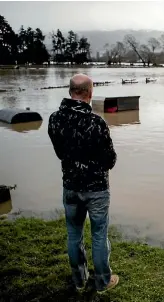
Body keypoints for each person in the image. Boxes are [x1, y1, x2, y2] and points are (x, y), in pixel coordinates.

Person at [48, 74, 119, 293]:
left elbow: (60, 153)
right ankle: (103, 282)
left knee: (74, 234)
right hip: (96, 189)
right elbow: (110, 160)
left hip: (70, 186)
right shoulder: (97, 122)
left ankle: (79, 280)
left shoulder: (54, 119)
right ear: (89, 93)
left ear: (71, 91)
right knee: (99, 235)